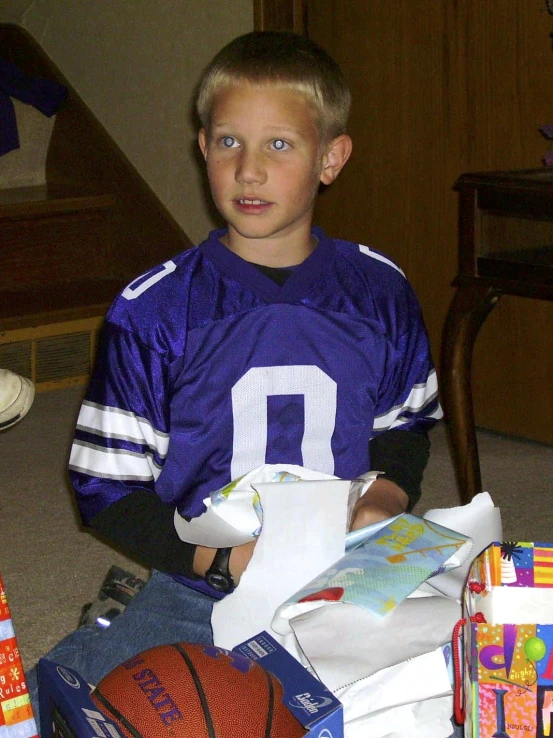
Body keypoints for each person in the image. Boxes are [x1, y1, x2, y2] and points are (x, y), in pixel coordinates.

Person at [27, 29, 444, 730]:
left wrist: (387, 497)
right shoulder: (154, 310)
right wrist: (219, 560)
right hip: (205, 581)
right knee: (73, 702)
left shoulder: (379, 291)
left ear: (330, 158)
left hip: (347, 566)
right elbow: (106, 490)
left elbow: (403, 424)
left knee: (465, 668)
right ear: (202, 149)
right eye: (228, 143)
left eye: (278, 144)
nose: (248, 170)